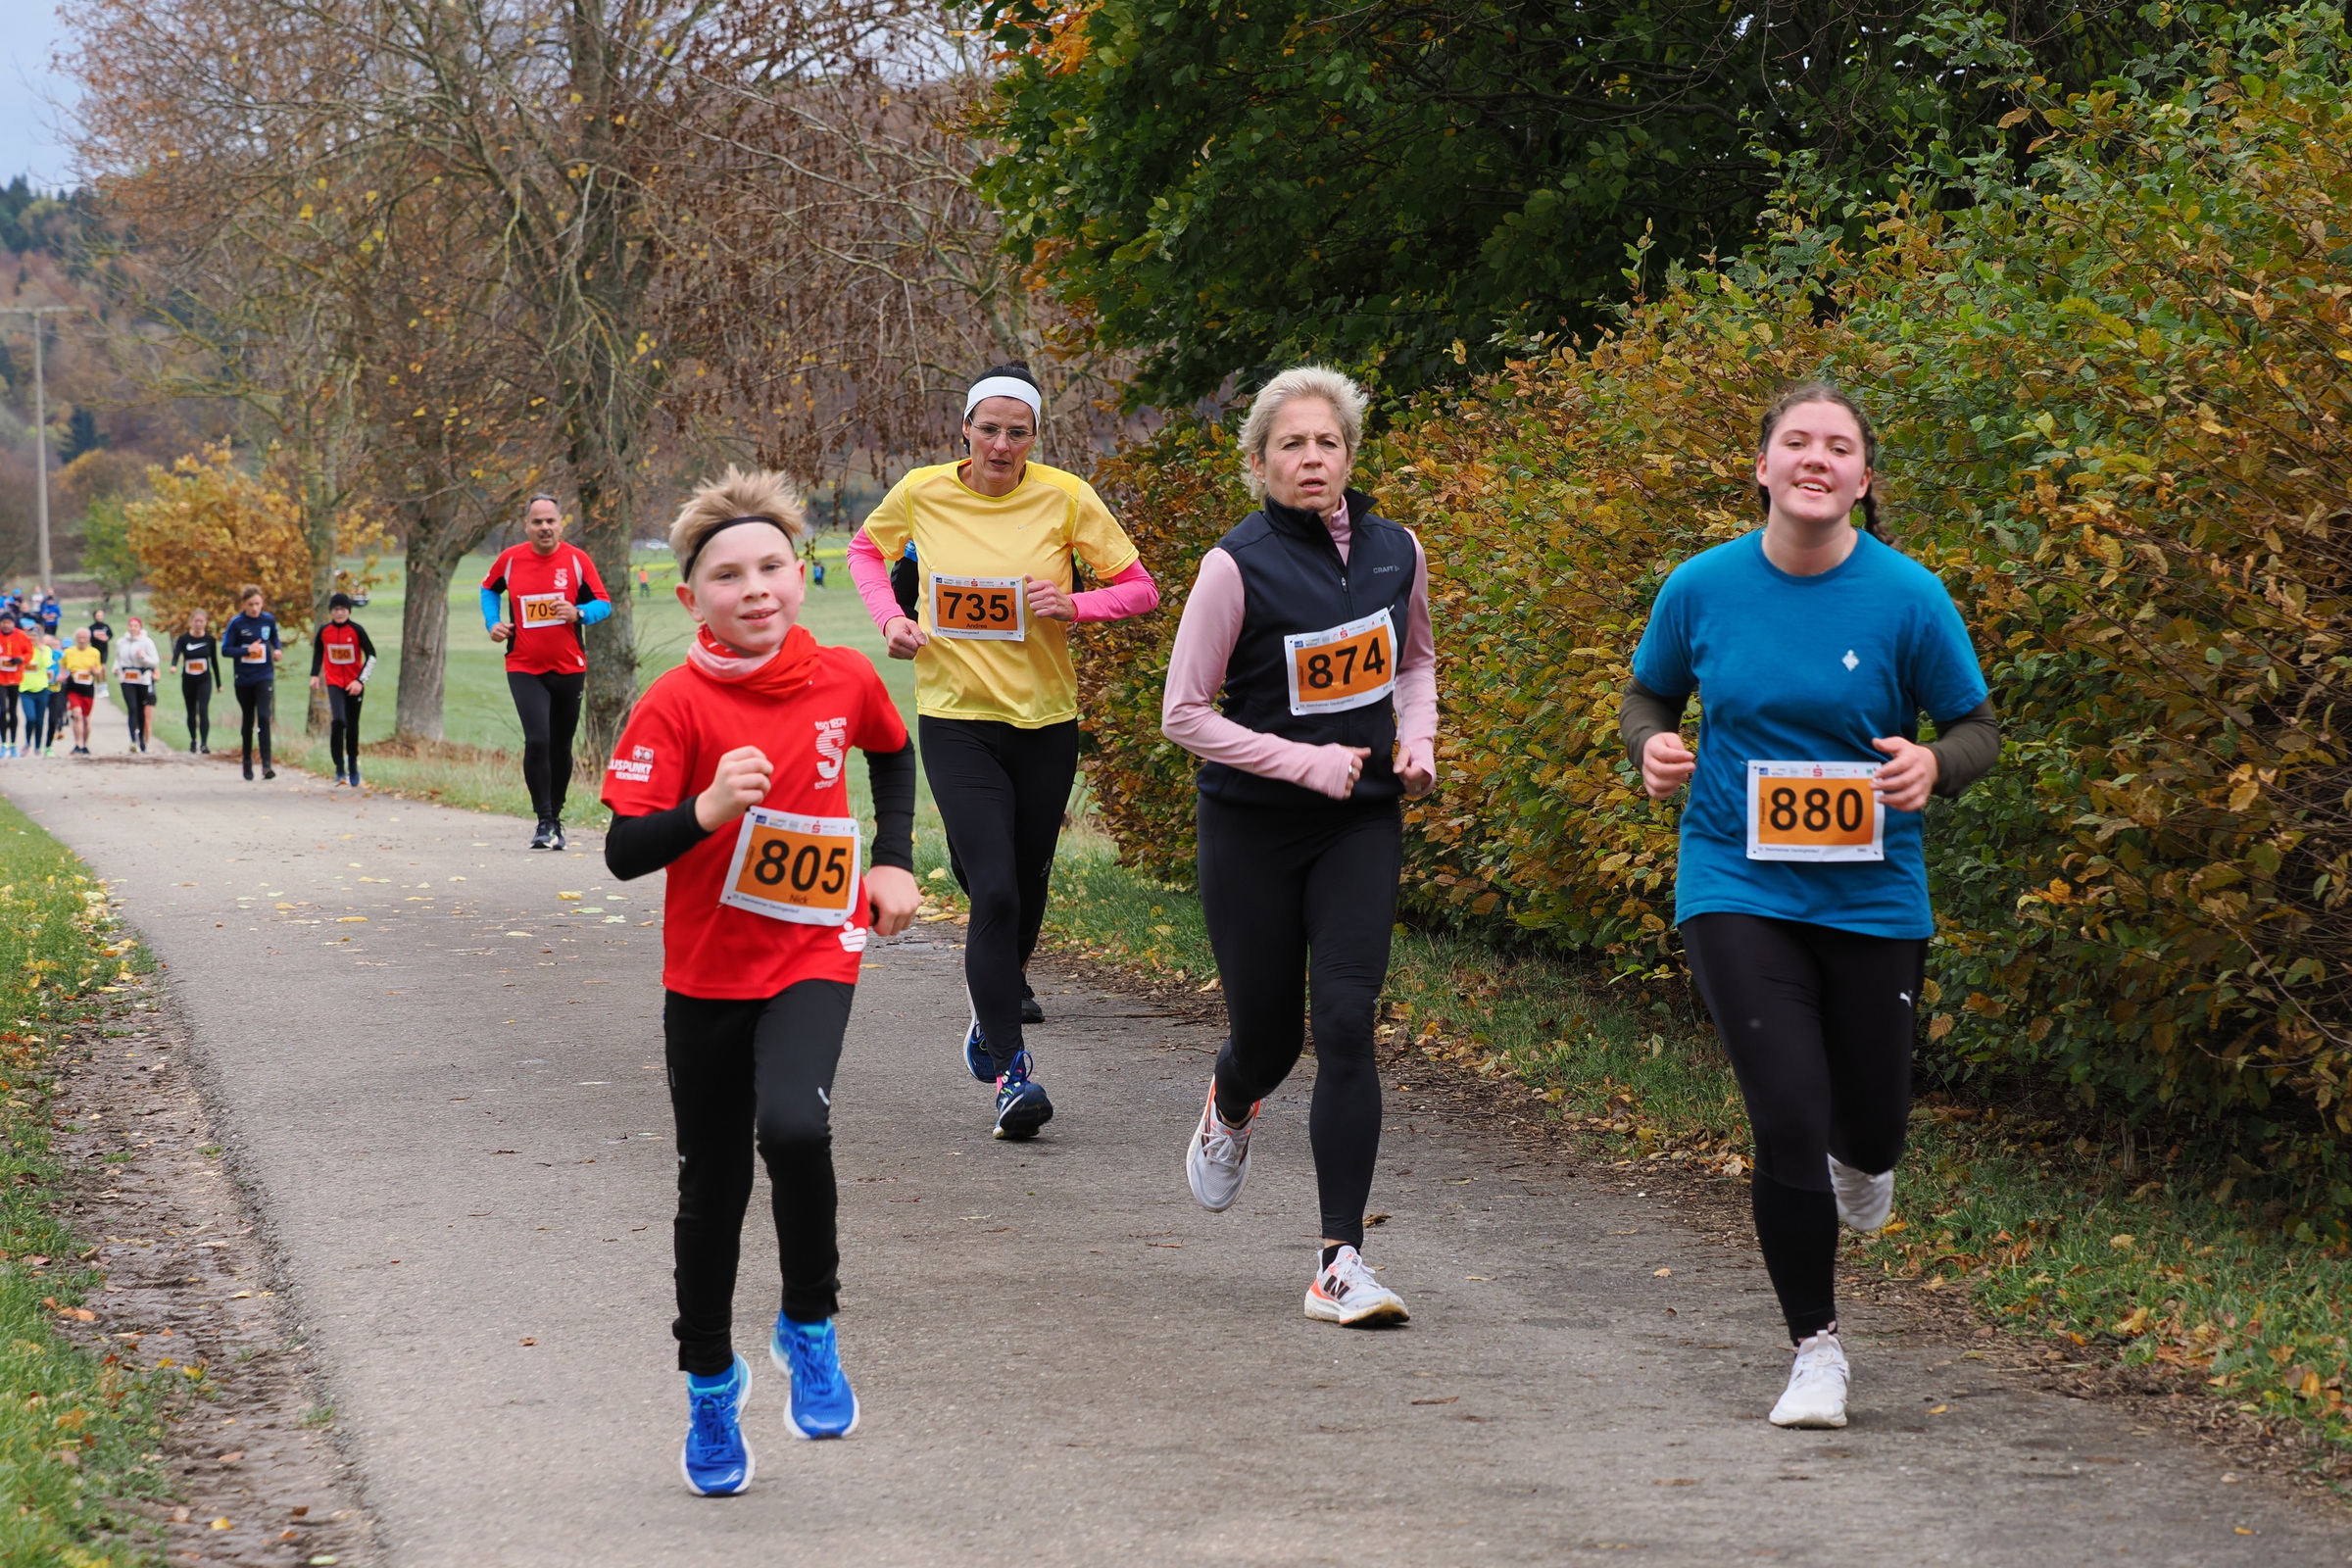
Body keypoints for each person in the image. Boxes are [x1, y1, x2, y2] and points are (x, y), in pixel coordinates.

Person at [1620, 382, 1999, 1429]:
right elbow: (1649, 694)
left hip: (1872, 895)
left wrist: (1935, 763)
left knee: (1867, 1131)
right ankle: (1815, 1350)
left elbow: (1977, 727)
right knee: (1787, 1111)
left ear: (1864, 479)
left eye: (1839, 446)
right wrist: (1652, 746)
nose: (1816, 458)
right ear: (1764, 466)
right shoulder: (1701, 587)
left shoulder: (1909, 597)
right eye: (1797, 441)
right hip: (1734, 880)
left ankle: (1864, 1159)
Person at [601, 467, 920, 1497]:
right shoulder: (674, 703)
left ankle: (809, 1325)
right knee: (714, 1186)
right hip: (707, 972)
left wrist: (894, 861)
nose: (755, 589)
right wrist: (704, 810)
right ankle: (709, 1384)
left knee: (793, 1126)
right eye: (728, 575)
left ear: (801, 573)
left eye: (772, 568)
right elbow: (622, 851)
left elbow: (893, 752)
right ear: (690, 596)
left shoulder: (844, 676)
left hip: (816, 947)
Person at [1162, 367, 1436, 1327]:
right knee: (1271, 1039)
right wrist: (1298, 761)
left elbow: (1416, 663)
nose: (1312, 458)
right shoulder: (1233, 567)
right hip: (1251, 828)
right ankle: (1232, 1099)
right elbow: (1183, 713)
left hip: (1360, 820)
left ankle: (1339, 1262)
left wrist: (1418, 738)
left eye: (1328, 442)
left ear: (1351, 456)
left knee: (1349, 1020)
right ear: (1259, 462)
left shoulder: (1398, 552)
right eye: (1292, 444)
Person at [848, 362, 1160, 1139]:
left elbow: (1141, 588)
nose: (1000, 444)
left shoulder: (1066, 496)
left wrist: (1077, 604)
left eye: (1017, 432)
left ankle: (994, 1006)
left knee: (1024, 883)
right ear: (965, 429)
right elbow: (863, 551)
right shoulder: (922, 491)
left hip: (1045, 722)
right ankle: (1011, 1074)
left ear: (1034, 437)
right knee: (992, 890)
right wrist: (890, 619)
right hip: (956, 717)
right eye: (988, 428)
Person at [483, 494, 612, 850]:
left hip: (569, 667)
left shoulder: (577, 560)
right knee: (538, 739)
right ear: (526, 526)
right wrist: (493, 622)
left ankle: (556, 816)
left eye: (550, 521)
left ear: (560, 524)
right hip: (524, 665)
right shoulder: (510, 560)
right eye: (537, 521)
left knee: (561, 745)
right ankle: (543, 821)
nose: (544, 527)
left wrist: (580, 613)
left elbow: (604, 603)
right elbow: (488, 589)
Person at [310, 593, 377, 786]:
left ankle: (353, 765)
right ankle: (339, 767)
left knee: (353, 725)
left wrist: (360, 681)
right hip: (335, 683)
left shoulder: (356, 630)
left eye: (343, 609)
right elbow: (319, 652)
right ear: (331, 611)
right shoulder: (325, 631)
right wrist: (314, 674)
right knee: (339, 721)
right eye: (336, 609)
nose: (339, 613)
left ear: (349, 611)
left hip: (354, 684)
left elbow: (372, 656)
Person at [221, 585, 284, 781]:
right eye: (250, 604)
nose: (255, 608)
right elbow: (225, 650)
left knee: (264, 717)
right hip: (244, 678)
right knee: (248, 720)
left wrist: (277, 650)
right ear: (243, 604)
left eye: (257, 604)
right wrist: (246, 650)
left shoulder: (268, 620)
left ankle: (266, 765)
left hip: (264, 675)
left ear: (262, 603)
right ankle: (247, 761)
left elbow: (275, 639)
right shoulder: (237, 623)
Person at [172, 610, 219, 755]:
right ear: (191, 622)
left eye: (201, 621)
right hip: (188, 680)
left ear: (206, 623)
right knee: (191, 711)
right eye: (196, 621)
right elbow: (176, 653)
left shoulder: (210, 640)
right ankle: (193, 739)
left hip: (204, 679)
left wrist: (219, 683)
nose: (198, 624)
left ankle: (204, 743)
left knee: (203, 709)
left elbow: (214, 662)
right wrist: (173, 665)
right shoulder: (184, 639)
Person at [114, 615, 160, 753]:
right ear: (128, 627)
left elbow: (155, 662)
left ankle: (142, 739)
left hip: (142, 678)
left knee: (140, 709)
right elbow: (117, 658)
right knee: (132, 707)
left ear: (140, 627)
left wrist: (143, 657)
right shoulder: (121, 642)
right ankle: (133, 740)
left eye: (136, 626)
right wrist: (115, 669)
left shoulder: (147, 642)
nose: (133, 628)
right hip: (127, 678)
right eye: (131, 625)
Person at [59, 629, 103, 756]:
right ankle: (78, 744)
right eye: (80, 638)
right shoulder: (69, 652)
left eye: (85, 638)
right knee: (77, 714)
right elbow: (62, 665)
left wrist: (96, 672)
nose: (82, 640)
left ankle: (84, 745)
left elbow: (98, 669)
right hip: (73, 686)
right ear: (76, 639)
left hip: (88, 687)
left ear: (89, 639)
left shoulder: (94, 652)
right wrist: (62, 675)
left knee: (86, 718)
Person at [16, 631, 52, 757]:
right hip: (25, 689)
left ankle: (38, 745)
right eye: (29, 636)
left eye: (35, 636)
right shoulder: (22, 650)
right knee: (31, 718)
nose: (32, 638)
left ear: (40, 638)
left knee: (40, 720)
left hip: (41, 689)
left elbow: (47, 664)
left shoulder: (45, 649)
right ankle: (27, 742)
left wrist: (41, 650)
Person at [0, 611, 30, 759]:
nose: (6, 625)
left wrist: (21, 659)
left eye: (9, 623)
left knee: (13, 711)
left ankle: (13, 744)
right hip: (0, 679)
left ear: (13, 624)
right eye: (4, 622)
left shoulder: (21, 635)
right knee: (2, 710)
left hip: (15, 678)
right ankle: (4, 744)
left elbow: (29, 652)